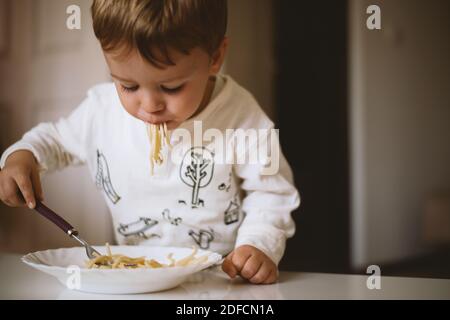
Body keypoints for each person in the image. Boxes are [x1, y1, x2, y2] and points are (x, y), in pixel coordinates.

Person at [0, 0, 300, 284]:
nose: (149, 105)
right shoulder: (101, 110)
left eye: (171, 87)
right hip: (136, 279)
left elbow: (271, 192)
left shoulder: (241, 116)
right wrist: (23, 155)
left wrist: (258, 244)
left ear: (215, 58)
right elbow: (54, 141)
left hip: (219, 280)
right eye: (128, 86)